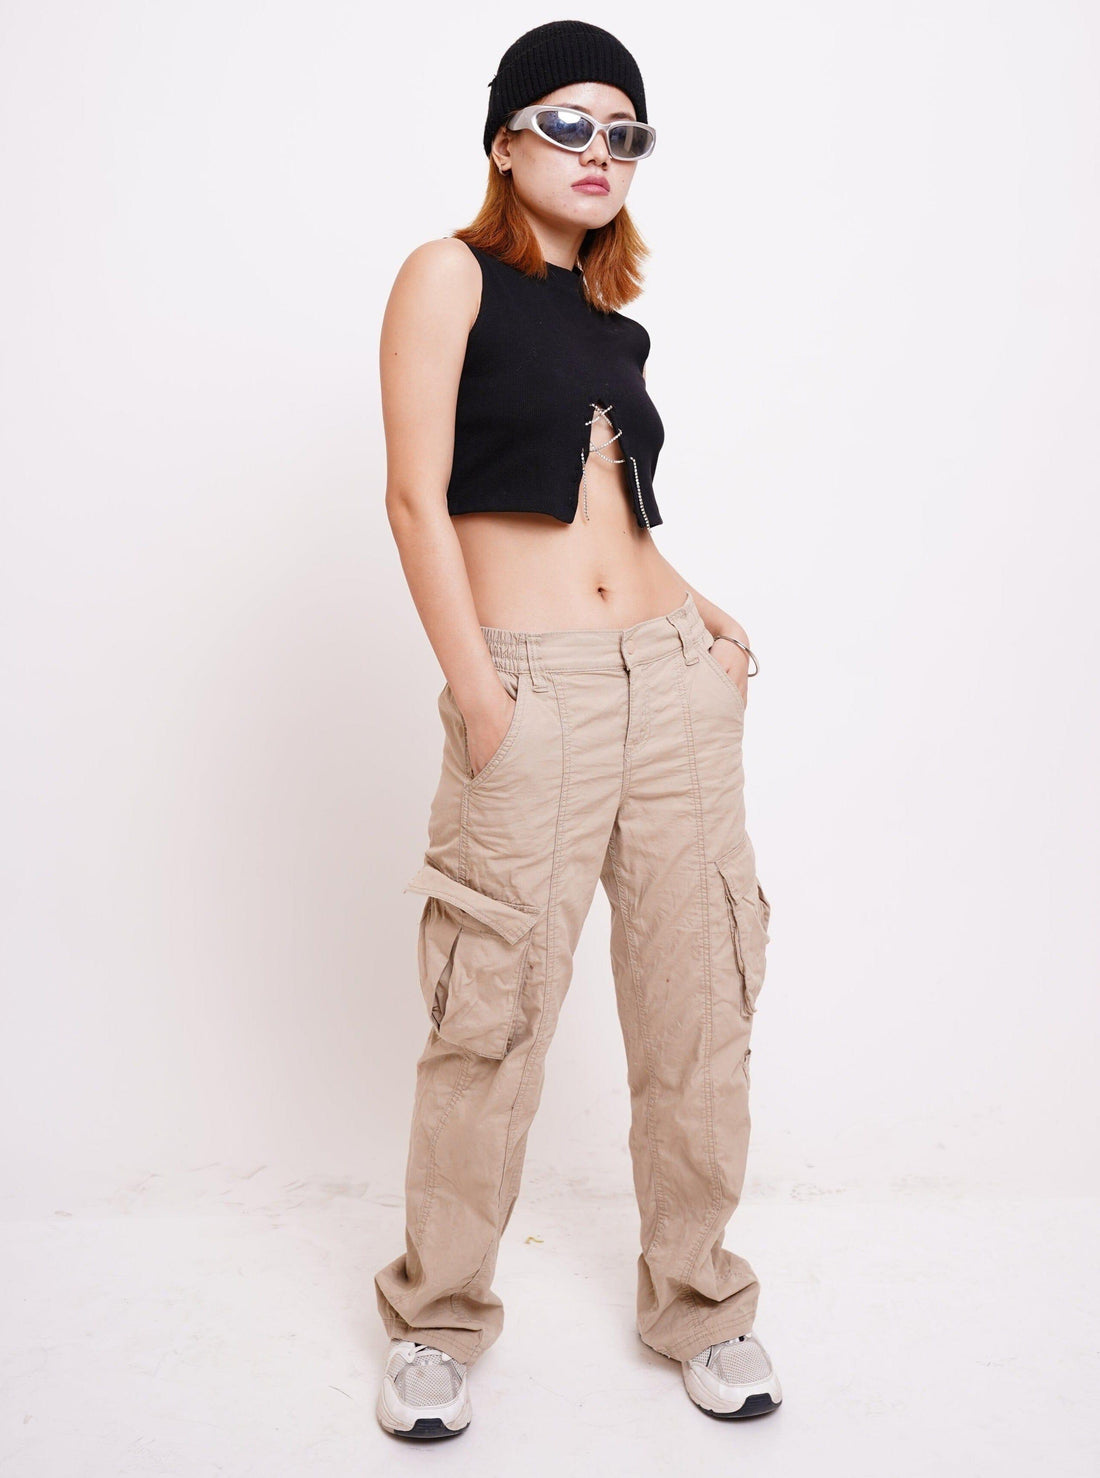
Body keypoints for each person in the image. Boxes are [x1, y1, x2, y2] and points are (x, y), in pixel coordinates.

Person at [373, 20, 781, 1440]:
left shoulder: (611, 323)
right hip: (531, 693)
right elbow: (416, 498)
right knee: (490, 1014)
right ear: (504, 140)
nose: (598, 151)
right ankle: (437, 1321)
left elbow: (614, 517)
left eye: (624, 133)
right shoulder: (447, 275)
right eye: (567, 123)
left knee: (699, 1006)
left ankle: (703, 1305)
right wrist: (481, 695)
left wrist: (708, 624)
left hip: (670, 682)